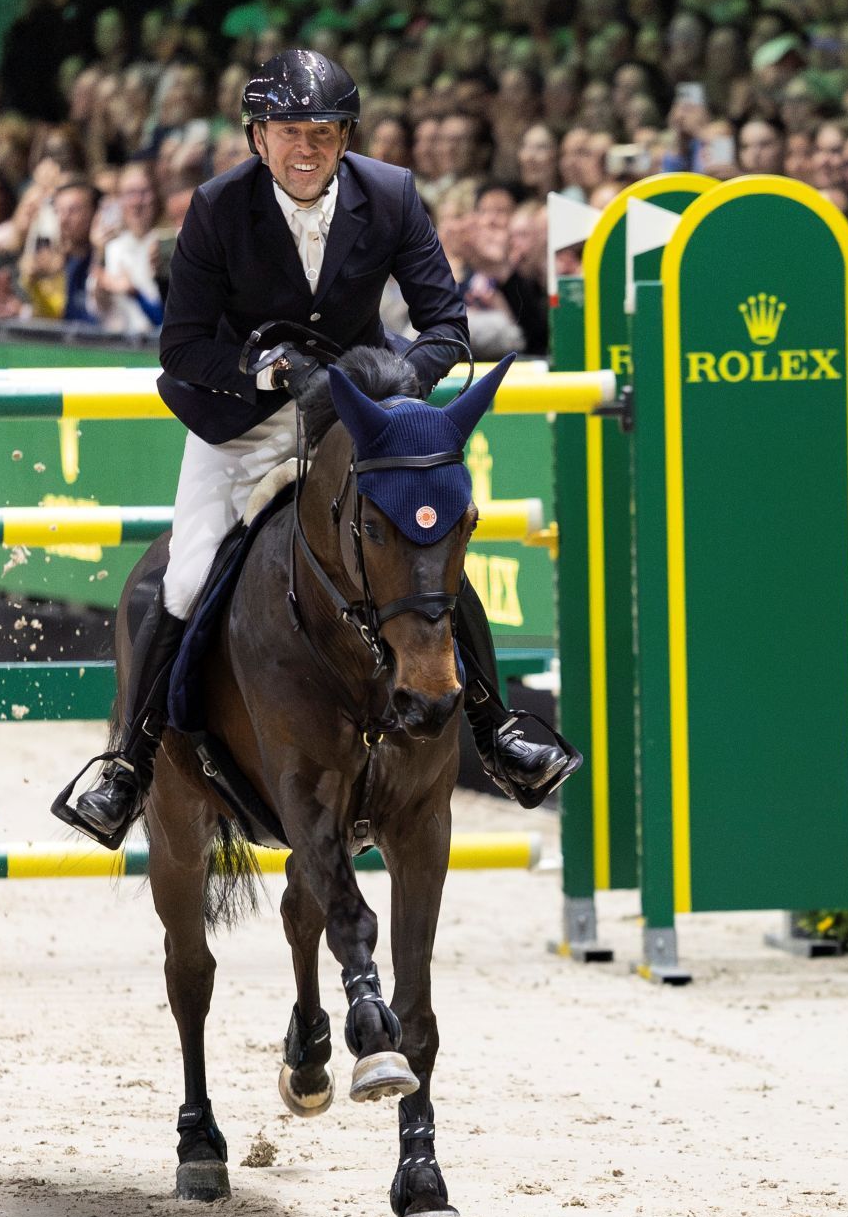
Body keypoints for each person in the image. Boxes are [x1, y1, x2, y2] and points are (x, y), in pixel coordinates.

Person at [55, 49, 576, 849]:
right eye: (290, 131)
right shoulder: (216, 207)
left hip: (355, 416)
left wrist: (388, 382)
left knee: (424, 546)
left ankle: (500, 729)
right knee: (189, 573)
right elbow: (182, 348)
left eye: (326, 133)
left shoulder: (391, 193)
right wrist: (264, 374)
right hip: (243, 419)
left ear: (345, 138)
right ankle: (129, 764)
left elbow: (447, 327)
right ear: (258, 138)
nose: (308, 148)